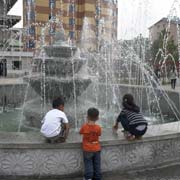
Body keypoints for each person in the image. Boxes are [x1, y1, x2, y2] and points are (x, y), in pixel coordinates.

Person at [79, 108, 102, 180]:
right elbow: (99, 134)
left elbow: (80, 133)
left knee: (88, 164)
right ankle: (97, 177)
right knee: (97, 164)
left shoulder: (84, 127)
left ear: (87, 117)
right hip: (96, 149)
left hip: (87, 149)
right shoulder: (98, 128)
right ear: (98, 118)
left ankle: (88, 178)